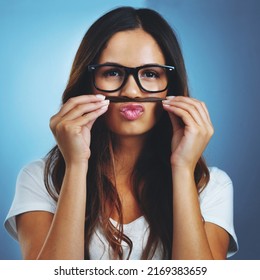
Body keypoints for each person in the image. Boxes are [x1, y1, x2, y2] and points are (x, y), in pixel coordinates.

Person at [4, 6, 238, 260]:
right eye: (113, 72)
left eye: (150, 74)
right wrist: (75, 165)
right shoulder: (40, 179)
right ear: (87, 82)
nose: (132, 92)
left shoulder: (211, 186)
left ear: (171, 86)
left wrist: (182, 168)